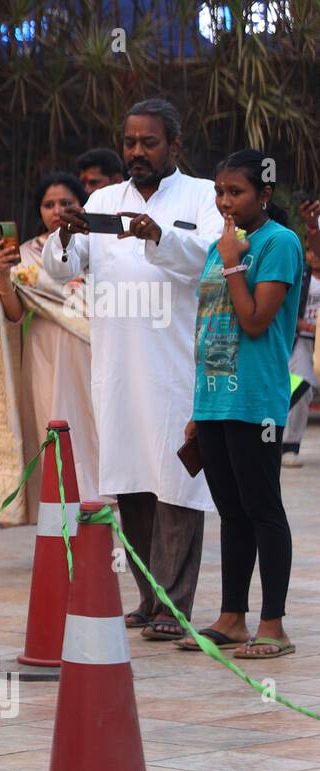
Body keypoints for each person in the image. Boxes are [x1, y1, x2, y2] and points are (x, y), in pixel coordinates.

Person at [46, 98, 221, 641]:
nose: (137, 152)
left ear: (175, 145)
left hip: (176, 366)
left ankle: (174, 605)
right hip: (119, 368)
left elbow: (212, 259)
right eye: (130, 142)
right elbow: (61, 270)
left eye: (149, 142)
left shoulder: (202, 197)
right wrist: (68, 233)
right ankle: (148, 600)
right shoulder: (102, 198)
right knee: (132, 485)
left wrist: (157, 236)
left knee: (177, 483)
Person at [175, 149, 304, 658]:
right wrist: (197, 406)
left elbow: (253, 321)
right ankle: (232, 618)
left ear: (264, 194)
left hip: (256, 400)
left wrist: (232, 262)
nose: (225, 202)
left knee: (262, 507)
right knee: (231, 511)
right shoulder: (220, 246)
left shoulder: (279, 243)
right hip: (214, 400)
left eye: (237, 192)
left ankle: (273, 625)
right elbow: (210, 329)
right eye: (219, 192)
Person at [0, 171, 100, 524]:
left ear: (82, 206)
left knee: (94, 431)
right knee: (55, 430)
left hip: (94, 353)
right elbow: (13, 316)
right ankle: (60, 519)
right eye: (49, 205)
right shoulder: (26, 255)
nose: (57, 211)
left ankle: (98, 514)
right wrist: (4, 276)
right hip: (46, 355)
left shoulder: (100, 247)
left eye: (66, 203)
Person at [282, 244, 318, 467]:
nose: (315, 255)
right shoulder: (300, 274)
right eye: (311, 250)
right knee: (301, 387)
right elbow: (284, 305)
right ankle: (289, 446)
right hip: (303, 342)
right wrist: (298, 323)